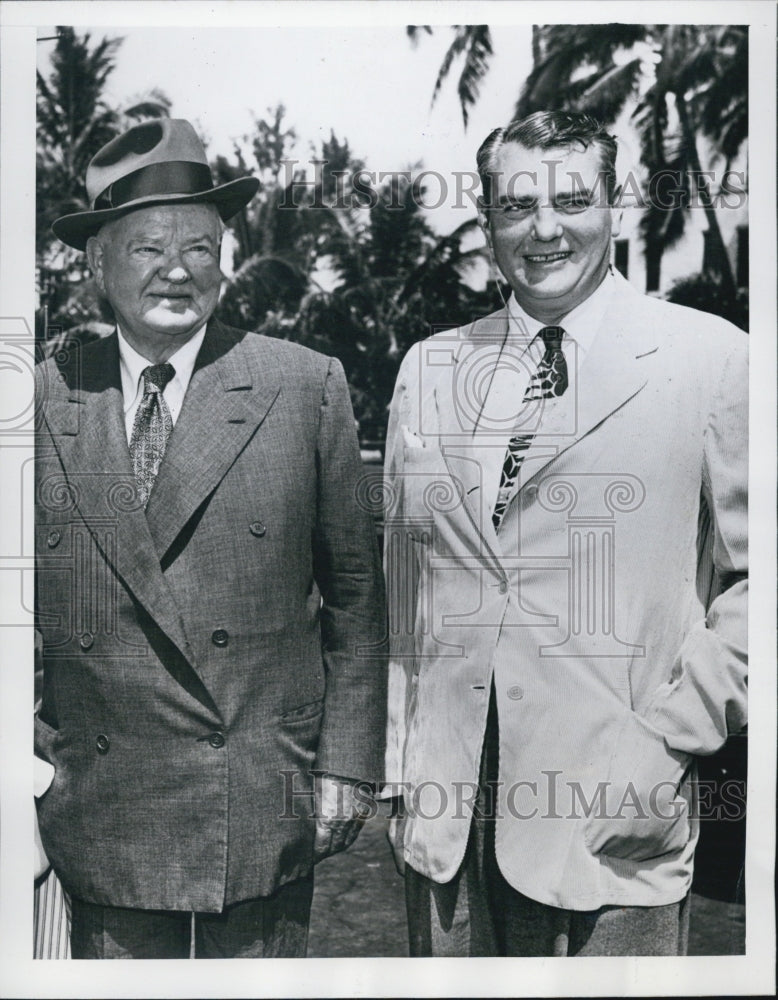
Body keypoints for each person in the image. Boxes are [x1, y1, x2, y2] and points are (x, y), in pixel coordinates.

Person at [383, 111, 747, 957]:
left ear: (613, 204)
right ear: (487, 218)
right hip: (448, 826)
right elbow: (408, 585)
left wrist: (669, 744)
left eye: (571, 199)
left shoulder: (713, 360)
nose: (543, 229)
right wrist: (404, 765)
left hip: (613, 813)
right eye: (515, 206)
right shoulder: (430, 368)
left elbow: (757, 589)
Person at [34, 118, 387, 959]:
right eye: (148, 246)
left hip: (262, 792)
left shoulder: (303, 386)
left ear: (226, 258)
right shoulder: (41, 399)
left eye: (200, 245)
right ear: (97, 263)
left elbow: (357, 600)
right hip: (101, 803)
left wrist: (346, 766)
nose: (176, 269)